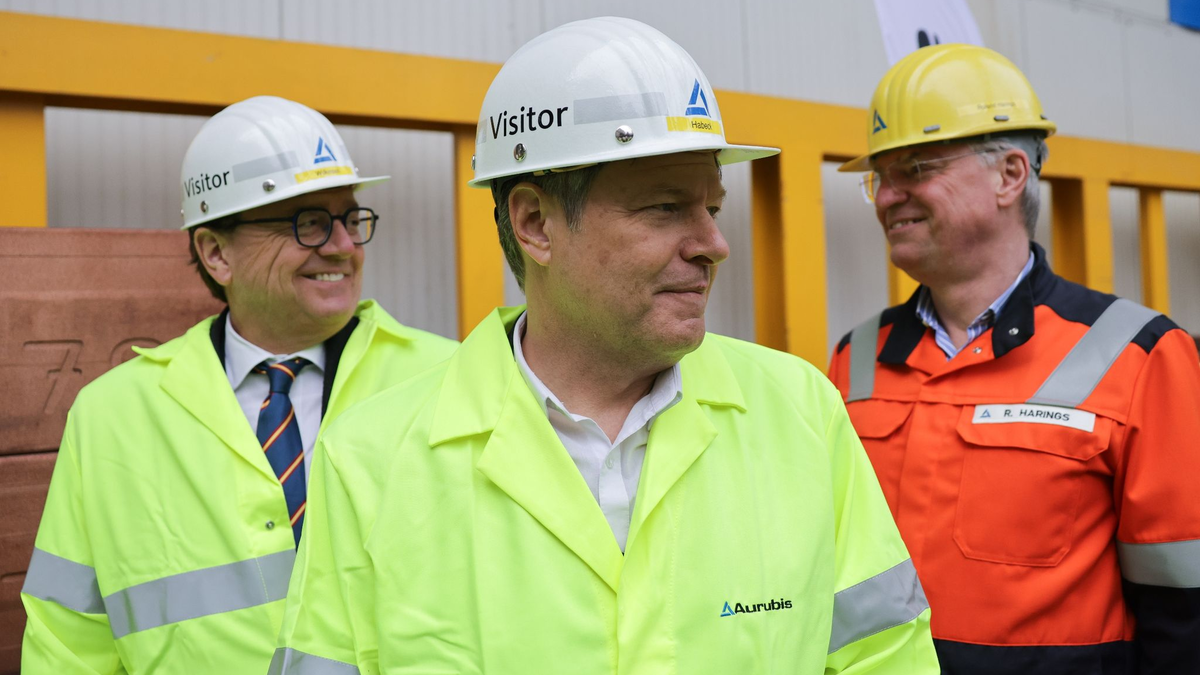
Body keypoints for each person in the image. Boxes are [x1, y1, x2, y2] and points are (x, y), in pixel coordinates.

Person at [273, 17, 938, 675]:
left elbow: (885, 656)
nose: (713, 243)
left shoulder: (801, 413)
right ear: (535, 222)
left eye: (712, 207)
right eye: (665, 208)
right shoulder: (369, 460)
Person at [20, 96, 457, 674]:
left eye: (350, 219)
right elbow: (68, 640)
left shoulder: (447, 380)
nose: (343, 247)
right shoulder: (111, 416)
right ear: (216, 252)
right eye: (308, 223)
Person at [829, 43, 1200, 674]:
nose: (889, 196)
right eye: (880, 177)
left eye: (916, 168)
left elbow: (1184, 606)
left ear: (1009, 175)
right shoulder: (855, 357)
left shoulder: (1140, 354)